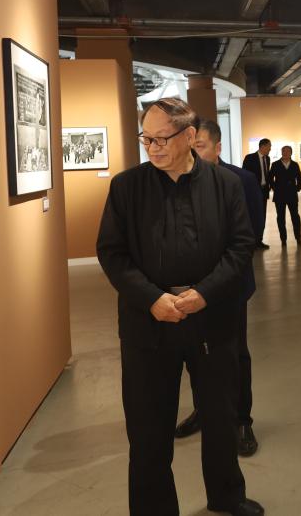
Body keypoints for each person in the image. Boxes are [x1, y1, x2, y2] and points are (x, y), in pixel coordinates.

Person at [96, 98, 263, 516]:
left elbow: (241, 245)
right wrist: (152, 298)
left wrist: (204, 293)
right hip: (148, 324)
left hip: (212, 318)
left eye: (162, 139)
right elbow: (112, 252)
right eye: (146, 139)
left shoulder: (224, 185)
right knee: (148, 430)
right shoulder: (126, 187)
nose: (153, 148)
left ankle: (227, 496)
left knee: (220, 417)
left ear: (190, 136)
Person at [173, 119, 264, 457]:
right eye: (191, 146)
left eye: (200, 147)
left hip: (230, 288)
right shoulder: (177, 181)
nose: (194, 154)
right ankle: (204, 410)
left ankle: (241, 420)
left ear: (218, 147)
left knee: (235, 354)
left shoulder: (241, 181)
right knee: (194, 354)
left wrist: (216, 280)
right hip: (189, 290)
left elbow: (249, 237)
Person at [241, 139, 272, 250]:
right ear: (263, 146)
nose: (270, 149)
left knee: (262, 216)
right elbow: (244, 174)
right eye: (269, 146)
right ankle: (251, 241)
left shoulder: (267, 159)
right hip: (253, 192)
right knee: (252, 216)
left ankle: (259, 240)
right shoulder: (250, 158)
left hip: (263, 191)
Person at [269, 145, 301, 246]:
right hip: (279, 195)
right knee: (280, 218)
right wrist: (275, 188)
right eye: (284, 151)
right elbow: (270, 178)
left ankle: (298, 237)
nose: (285, 153)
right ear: (281, 152)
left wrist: (297, 188)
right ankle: (283, 239)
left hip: (292, 194)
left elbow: (300, 177)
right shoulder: (275, 164)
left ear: (291, 153)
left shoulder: (295, 165)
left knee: (295, 217)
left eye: (288, 151)